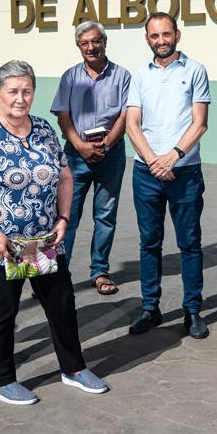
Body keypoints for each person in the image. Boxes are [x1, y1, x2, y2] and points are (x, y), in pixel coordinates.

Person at [0, 60, 109, 404]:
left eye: (27, 91)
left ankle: (73, 368)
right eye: (13, 91)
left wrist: (63, 219)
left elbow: (65, 177)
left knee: (61, 303)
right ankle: (1, 380)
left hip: (42, 241)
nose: (20, 98)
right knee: (2, 312)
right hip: (2, 245)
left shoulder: (42, 129)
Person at [125, 13, 212, 339]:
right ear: (148, 39)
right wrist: (152, 161)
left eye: (166, 34)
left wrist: (173, 157)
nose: (160, 40)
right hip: (146, 173)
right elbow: (132, 123)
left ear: (177, 34)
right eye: (154, 35)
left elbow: (200, 123)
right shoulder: (140, 75)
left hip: (185, 172)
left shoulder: (195, 71)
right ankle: (151, 307)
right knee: (149, 243)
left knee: (189, 244)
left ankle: (192, 311)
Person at [50, 21, 131, 296]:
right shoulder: (70, 77)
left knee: (105, 216)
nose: (90, 47)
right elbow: (63, 115)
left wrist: (106, 145)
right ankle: (59, 273)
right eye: (84, 43)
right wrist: (80, 145)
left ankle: (100, 271)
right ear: (78, 47)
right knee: (66, 216)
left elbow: (125, 115)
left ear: (105, 42)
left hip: (111, 155)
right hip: (76, 155)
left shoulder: (122, 76)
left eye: (95, 41)